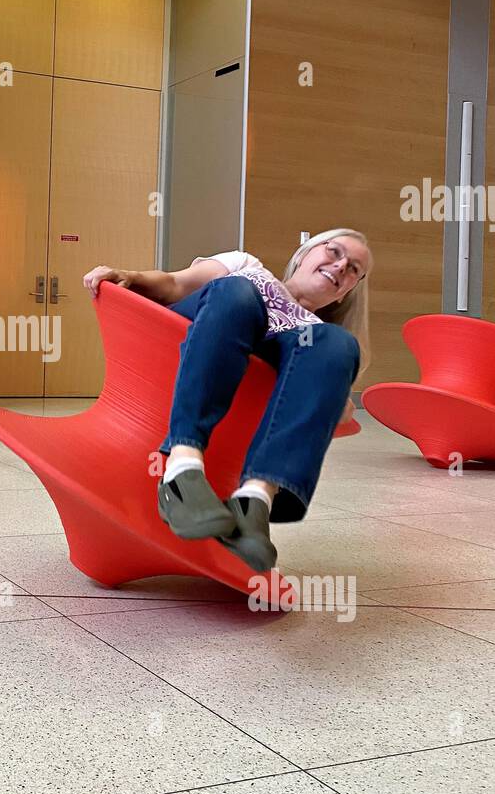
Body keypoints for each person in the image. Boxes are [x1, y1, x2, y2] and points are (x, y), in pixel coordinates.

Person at [82, 229, 372, 572]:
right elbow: (176, 284)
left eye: (353, 269)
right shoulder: (246, 266)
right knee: (238, 290)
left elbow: (337, 408)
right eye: (334, 252)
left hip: (285, 350)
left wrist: (335, 378)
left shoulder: (320, 339)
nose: (341, 266)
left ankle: (254, 502)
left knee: (337, 343)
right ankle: (181, 467)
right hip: (216, 323)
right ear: (303, 254)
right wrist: (132, 276)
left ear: (348, 290)